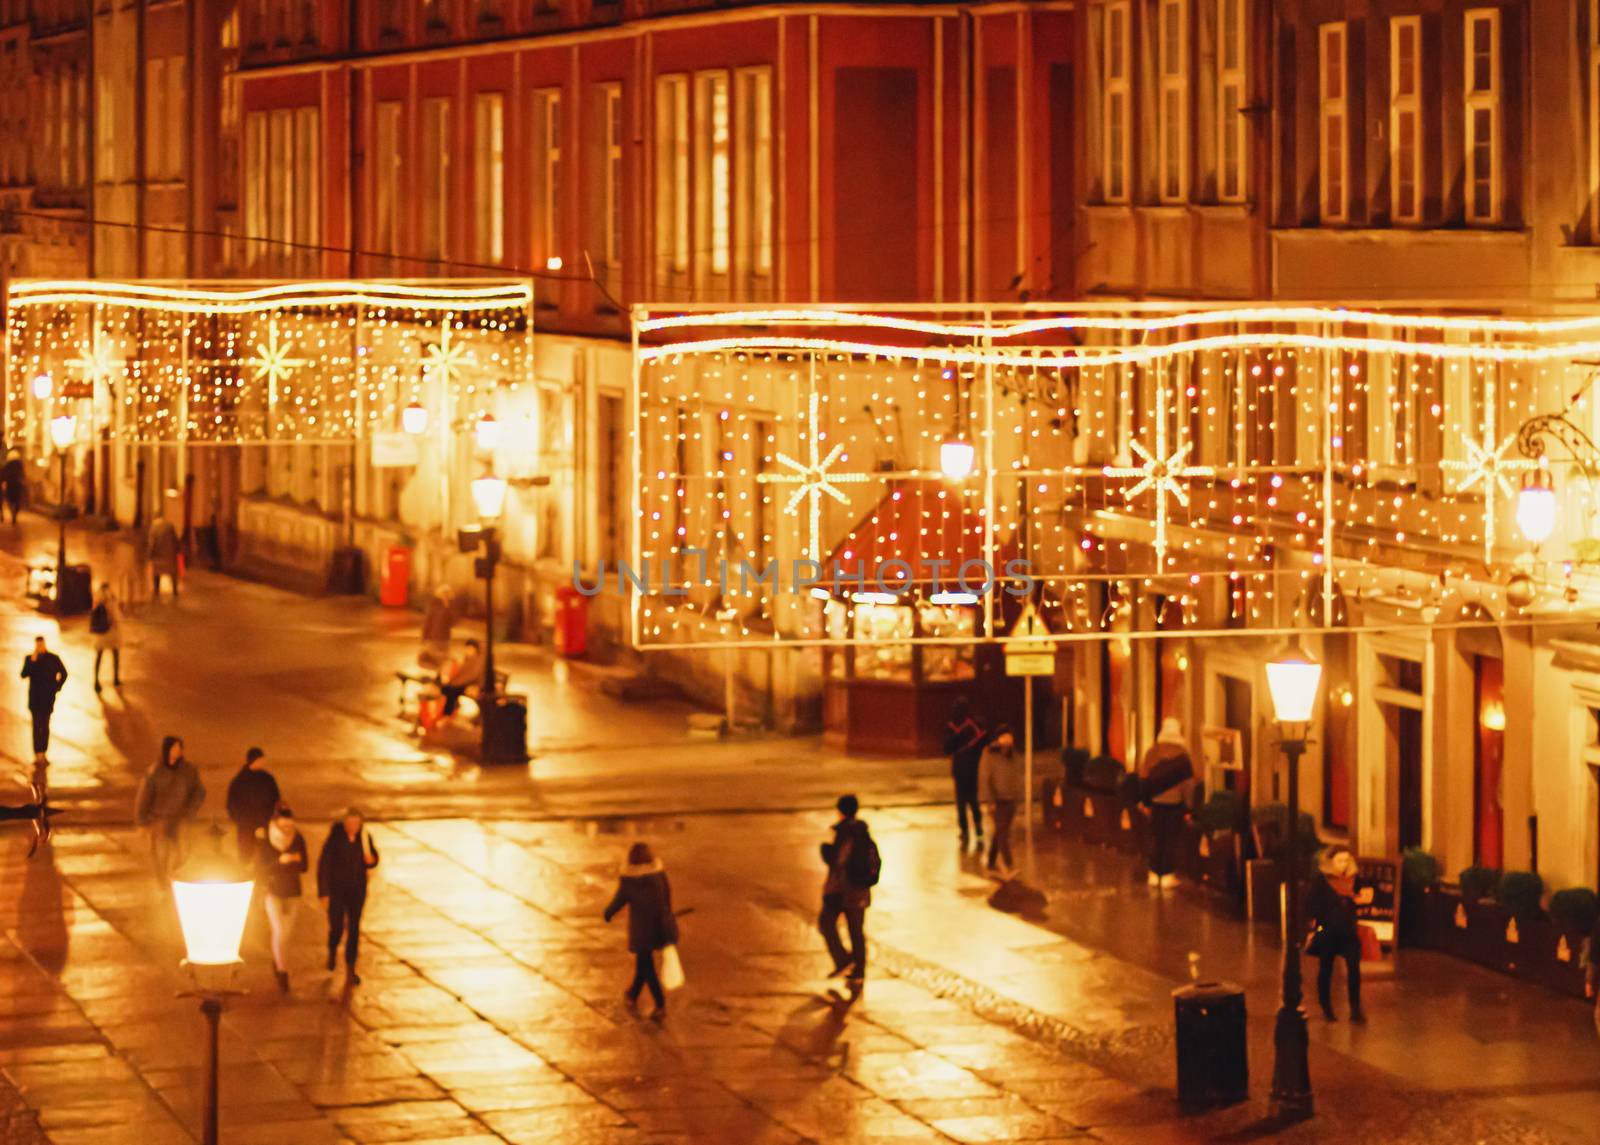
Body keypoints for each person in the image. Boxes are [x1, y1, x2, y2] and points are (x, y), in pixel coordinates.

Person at [602, 842, 679, 1018]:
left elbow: (619, 900)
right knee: (643, 964)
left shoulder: (630, 880)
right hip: (659, 926)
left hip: (642, 931)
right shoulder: (659, 875)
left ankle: (660, 1004)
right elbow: (668, 895)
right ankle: (632, 994)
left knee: (647, 968)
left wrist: (608, 913)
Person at [818, 794, 878, 990]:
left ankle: (843, 960)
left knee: (826, 922)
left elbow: (839, 861)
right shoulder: (864, 833)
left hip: (842, 890)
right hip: (860, 891)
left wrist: (826, 852)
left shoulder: (845, 832)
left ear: (841, 811)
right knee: (856, 930)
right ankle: (858, 969)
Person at [318, 807, 379, 984]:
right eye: (350, 823)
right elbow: (325, 865)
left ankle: (351, 968)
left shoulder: (364, 837)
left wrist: (372, 860)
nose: (353, 827)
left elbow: (372, 857)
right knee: (336, 927)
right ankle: (332, 950)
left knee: (354, 929)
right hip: (337, 891)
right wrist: (324, 893)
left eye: (356, 823)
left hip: (356, 892)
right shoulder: (335, 839)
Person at [133, 736, 205, 881]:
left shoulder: (188, 770)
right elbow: (144, 797)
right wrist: (142, 821)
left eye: (179, 748)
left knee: (183, 854)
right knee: (161, 857)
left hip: (181, 819)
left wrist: (191, 811)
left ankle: (176, 882)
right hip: (159, 821)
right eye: (174, 748)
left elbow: (199, 792)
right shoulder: (154, 772)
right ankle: (163, 885)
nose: (177, 751)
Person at [1306, 848, 1364, 1023]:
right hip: (1328, 931)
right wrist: (1314, 923)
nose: (1344, 865)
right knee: (1326, 968)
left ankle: (1355, 1008)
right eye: (1340, 861)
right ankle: (1326, 1007)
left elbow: (1361, 899)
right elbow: (1310, 903)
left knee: (1354, 967)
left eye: (1347, 860)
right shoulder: (1322, 881)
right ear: (1331, 862)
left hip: (1348, 931)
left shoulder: (1355, 880)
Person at [256, 803, 308, 994]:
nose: (287, 830)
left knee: (287, 934)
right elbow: (261, 868)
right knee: (279, 931)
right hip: (274, 891)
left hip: (293, 891)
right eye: (283, 826)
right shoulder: (266, 840)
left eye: (290, 826)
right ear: (275, 823)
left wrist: (295, 860)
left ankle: (278, 960)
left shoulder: (298, 838)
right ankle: (282, 971)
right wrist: (280, 862)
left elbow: (305, 866)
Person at [1139, 716, 1195, 889]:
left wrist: (1145, 802)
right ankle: (1167, 875)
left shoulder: (1152, 752)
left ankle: (1154, 873)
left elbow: (1143, 778)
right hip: (1175, 804)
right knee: (1171, 839)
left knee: (1156, 838)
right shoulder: (1183, 756)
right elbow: (1188, 785)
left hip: (1155, 803)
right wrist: (1189, 807)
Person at [979, 726, 1024, 878]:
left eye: (1009, 737)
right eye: (1004, 737)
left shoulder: (1015, 756)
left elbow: (1017, 776)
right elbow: (985, 779)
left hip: (1011, 800)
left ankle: (991, 863)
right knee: (1003, 834)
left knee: (999, 833)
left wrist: (1019, 796)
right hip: (997, 801)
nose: (1007, 741)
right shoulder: (990, 755)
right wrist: (988, 801)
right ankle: (1009, 865)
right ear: (998, 739)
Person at [943, 699, 988, 846]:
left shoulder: (952, 727)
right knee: (973, 801)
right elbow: (982, 742)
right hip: (971, 768)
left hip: (959, 769)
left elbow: (946, 748)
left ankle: (964, 832)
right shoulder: (973, 726)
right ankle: (978, 830)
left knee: (961, 804)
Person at [225, 747, 280, 860]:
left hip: (265, 824)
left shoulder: (267, 779)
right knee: (246, 855)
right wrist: (241, 820)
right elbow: (232, 804)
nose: (263, 762)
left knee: (265, 857)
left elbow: (276, 799)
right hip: (246, 827)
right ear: (254, 760)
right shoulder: (240, 781)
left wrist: (272, 818)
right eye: (261, 759)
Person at [20, 636, 68, 764]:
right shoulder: (30, 658)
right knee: (36, 727)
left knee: (45, 726)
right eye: (38, 645)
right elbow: (23, 674)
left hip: (47, 698)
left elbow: (64, 673)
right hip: (35, 699)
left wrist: (56, 687)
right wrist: (32, 662)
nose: (40, 647)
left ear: (44, 644)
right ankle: (38, 754)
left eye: (41, 644)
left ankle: (44, 752)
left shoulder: (53, 658)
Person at [89, 583, 124, 694]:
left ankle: (100, 680)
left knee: (103, 656)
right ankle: (114, 679)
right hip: (109, 632)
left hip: (104, 633)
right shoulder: (108, 601)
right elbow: (116, 616)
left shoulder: (100, 601)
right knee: (113, 654)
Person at [439, 639, 484, 717]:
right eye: (467, 648)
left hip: (471, 686)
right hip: (464, 685)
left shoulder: (476, 661)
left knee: (449, 691)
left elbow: (471, 676)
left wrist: (454, 683)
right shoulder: (467, 660)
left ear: (475, 649)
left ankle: (447, 714)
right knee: (448, 689)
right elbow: (461, 674)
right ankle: (448, 712)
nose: (468, 651)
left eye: (470, 649)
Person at [419, 585, 457, 669]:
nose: (445, 596)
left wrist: (447, 608)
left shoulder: (450, 607)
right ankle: (438, 677)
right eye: (443, 594)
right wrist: (424, 637)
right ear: (439, 595)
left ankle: (442, 677)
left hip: (445, 639)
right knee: (436, 661)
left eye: (447, 594)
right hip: (434, 638)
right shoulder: (433, 606)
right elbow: (427, 623)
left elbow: (453, 623)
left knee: (444, 661)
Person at [148, 511, 181, 600]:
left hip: (158, 555)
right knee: (172, 572)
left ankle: (156, 590)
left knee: (157, 573)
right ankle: (175, 590)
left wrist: (150, 554)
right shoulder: (170, 526)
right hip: (170, 554)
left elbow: (152, 543)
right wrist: (178, 549)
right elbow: (175, 539)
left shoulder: (153, 528)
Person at [1, 448, 23, 526]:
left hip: (10, 484)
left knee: (10, 500)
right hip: (17, 484)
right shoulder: (20, 465)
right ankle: (14, 514)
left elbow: (3, 474)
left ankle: (13, 513)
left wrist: (3, 482)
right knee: (17, 500)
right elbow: (22, 474)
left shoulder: (7, 465)